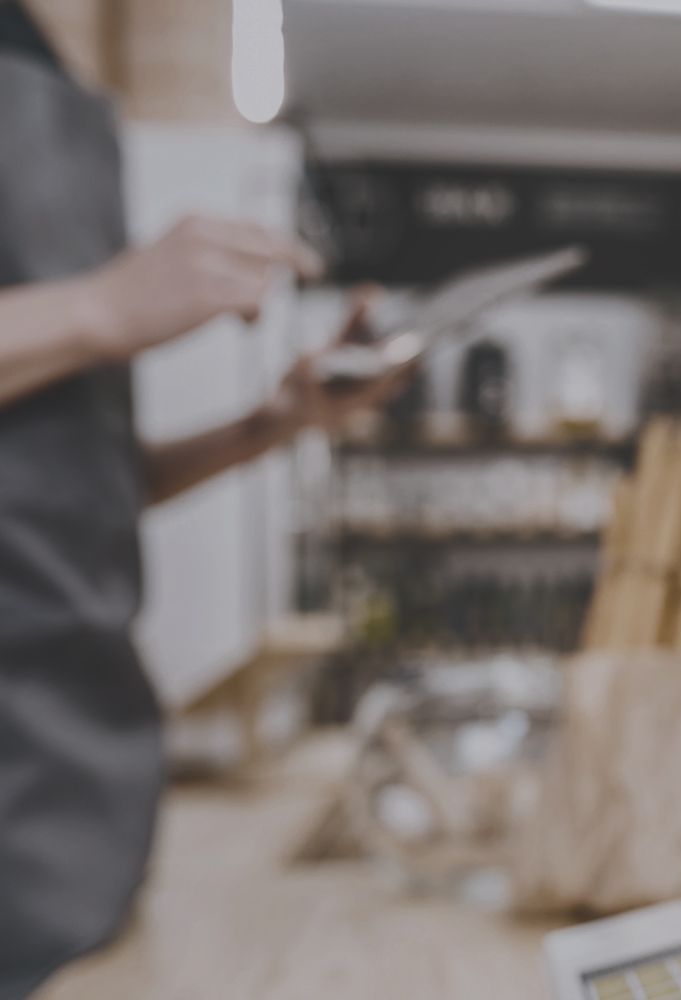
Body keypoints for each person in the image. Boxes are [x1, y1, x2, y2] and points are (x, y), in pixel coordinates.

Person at [0, 3, 408, 994]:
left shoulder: (35, 52)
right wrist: (98, 308)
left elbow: (65, 482)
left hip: (73, 777)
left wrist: (271, 424)